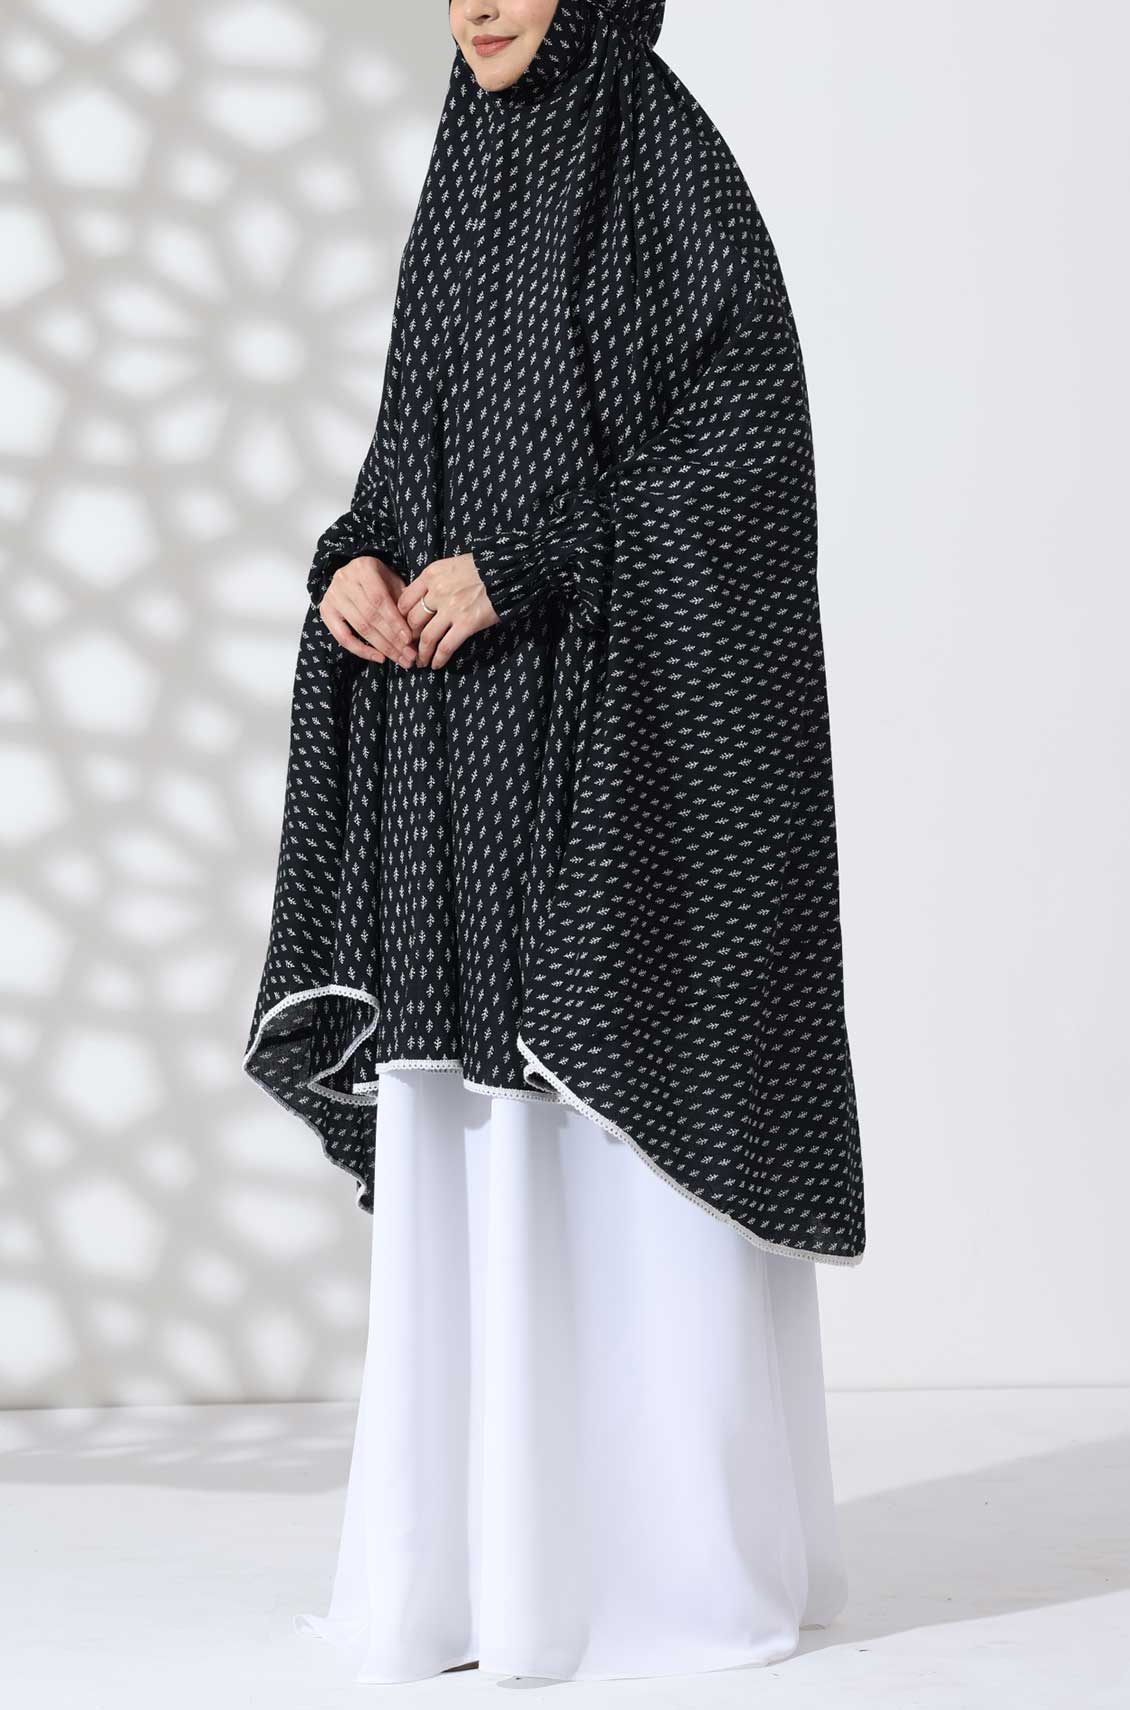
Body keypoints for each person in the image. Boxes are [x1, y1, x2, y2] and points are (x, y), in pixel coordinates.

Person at [243, 0, 865, 1683]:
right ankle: (481, 1579)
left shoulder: (655, 150)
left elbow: (745, 454)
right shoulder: (469, 166)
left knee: (604, 1133)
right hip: (460, 745)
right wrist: (352, 559)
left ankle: (656, 1579)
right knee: (481, 1149)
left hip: (613, 754)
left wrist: (533, 559)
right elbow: (412, 450)